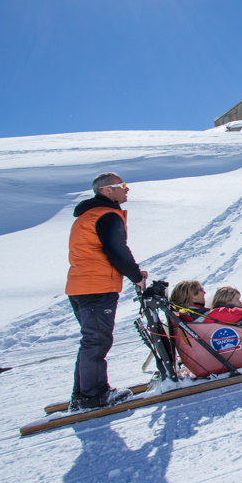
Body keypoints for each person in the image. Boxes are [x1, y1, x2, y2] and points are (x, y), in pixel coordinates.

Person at [66, 172, 148, 411]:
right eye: (122, 185)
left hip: (80, 286)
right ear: (107, 191)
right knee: (98, 341)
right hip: (96, 288)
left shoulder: (86, 216)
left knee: (91, 341)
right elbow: (116, 250)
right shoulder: (106, 214)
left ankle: (83, 394)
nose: (127, 189)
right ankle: (94, 395)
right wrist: (135, 276)